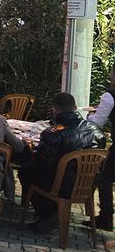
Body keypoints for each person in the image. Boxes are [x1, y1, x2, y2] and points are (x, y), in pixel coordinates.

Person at [20, 92, 100, 233]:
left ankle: (46, 213)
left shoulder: (52, 133)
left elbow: (42, 164)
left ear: (54, 109)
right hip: (87, 185)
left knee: (26, 171)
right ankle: (52, 213)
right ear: (75, 108)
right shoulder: (96, 132)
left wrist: (29, 149)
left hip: (60, 185)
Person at [89, 69, 115, 230]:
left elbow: (97, 122)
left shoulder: (109, 96)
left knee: (105, 179)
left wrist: (90, 115)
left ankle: (106, 219)